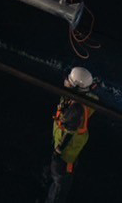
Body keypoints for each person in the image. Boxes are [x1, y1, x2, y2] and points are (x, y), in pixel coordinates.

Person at [44, 66, 96, 202]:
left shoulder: (76, 108)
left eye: (69, 80)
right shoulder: (74, 99)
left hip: (64, 157)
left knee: (60, 187)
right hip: (60, 147)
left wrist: (58, 152)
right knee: (57, 180)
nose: (66, 80)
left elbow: (70, 132)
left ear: (75, 87)